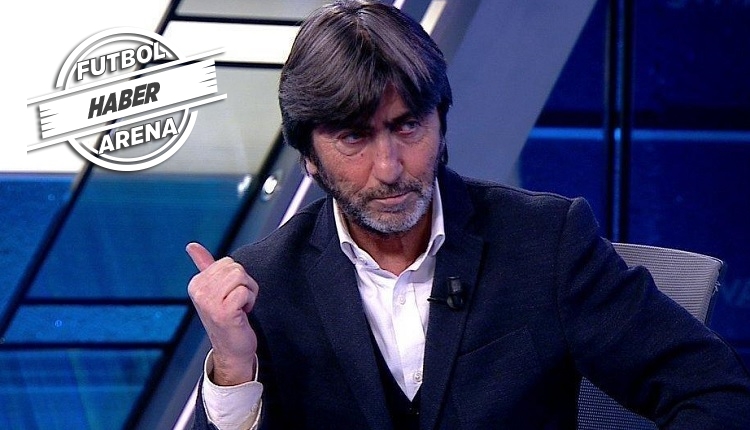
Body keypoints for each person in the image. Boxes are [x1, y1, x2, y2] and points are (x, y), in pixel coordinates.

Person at [186, 1, 750, 429]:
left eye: (408, 126)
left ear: (441, 123)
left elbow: (714, 390)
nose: (389, 168)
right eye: (354, 138)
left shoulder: (545, 242)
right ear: (310, 157)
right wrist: (234, 366)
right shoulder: (266, 284)